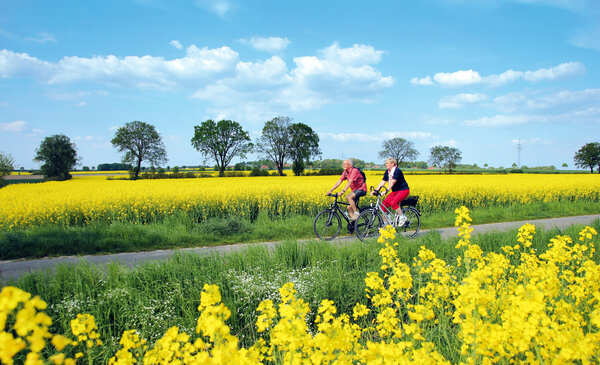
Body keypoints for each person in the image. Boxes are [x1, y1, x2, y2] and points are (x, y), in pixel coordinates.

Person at [372, 157, 409, 225]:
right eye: (386, 163)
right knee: (384, 205)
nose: (386, 164)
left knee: (393, 202)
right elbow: (383, 181)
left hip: (403, 190)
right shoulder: (387, 172)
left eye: (387, 163)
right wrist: (376, 190)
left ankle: (402, 217)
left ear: (392, 163)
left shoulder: (397, 171)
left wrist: (386, 191)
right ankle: (386, 222)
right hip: (395, 191)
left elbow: (392, 182)